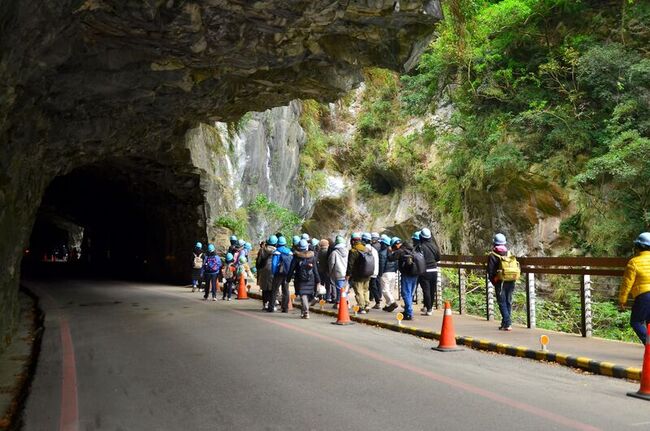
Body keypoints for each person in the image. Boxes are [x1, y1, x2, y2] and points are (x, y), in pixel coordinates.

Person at [619, 232, 650, 344]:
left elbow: (627, 283)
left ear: (638, 247)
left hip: (644, 296)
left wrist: (622, 299)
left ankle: (649, 345)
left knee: (636, 322)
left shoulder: (634, 262)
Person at [487, 233, 516, 331]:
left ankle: (507, 323)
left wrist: (494, 282)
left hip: (500, 281)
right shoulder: (509, 253)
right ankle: (505, 323)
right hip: (511, 280)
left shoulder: (493, 255)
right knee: (508, 301)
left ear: (494, 243)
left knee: (502, 302)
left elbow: (490, 272)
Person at [286, 239, 320, 319]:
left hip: (300, 279)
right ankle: (303, 312)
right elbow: (315, 270)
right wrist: (318, 281)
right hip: (310, 279)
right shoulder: (312, 257)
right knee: (306, 295)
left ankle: (306, 312)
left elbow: (291, 269)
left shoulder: (296, 257)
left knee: (303, 295)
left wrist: (287, 279)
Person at [389, 237, 417, 320]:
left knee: (405, 293)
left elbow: (391, 258)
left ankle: (409, 313)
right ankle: (407, 310)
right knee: (410, 293)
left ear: (396, 245)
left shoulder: (401, 251)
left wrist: (390, 251)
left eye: (394, 247)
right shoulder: (412, 249)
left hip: (406, 274)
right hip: (415, 273)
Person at [347, 233, 373, 313]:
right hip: (368, 273)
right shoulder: (367, 249)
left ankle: (361, 307)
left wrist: (348, 274)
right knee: (366, 290)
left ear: (353, 241)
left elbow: (350, 264)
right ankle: (367, 305)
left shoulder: (353, 251)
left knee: (359, 291)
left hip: (358, 275)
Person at [418, 228, 441, 316]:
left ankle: (429, 309)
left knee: (426, 290)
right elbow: (438, 258)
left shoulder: (420, 247)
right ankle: (430, 307)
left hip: (425, 271)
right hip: (434, 270)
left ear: (421, 237)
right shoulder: (434, 246)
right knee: (432, 290)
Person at [271, 236, 294, 312]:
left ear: (278, 243)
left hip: (278, 274)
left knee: (274, 290)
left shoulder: (277, 252)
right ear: (285, 243)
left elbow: (274, 264)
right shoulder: (289, 252)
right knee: (286, 291)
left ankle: (271, 307)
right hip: (287, 273)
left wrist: (273, 272)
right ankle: (285, 308)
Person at [256, 235, 278, 311]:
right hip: (273, 270)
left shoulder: (262, 250)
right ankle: (271, 304)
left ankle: (265, 304)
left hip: (263, 271)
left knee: (264, 288)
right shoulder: (276, 251)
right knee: (272, 288)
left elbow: (258, 262)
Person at [379, 236, 399, 312]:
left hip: (385, 273)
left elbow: (382, 263)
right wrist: (395, 271)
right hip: (393, 273)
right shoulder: (394, 251)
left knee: (384, 290)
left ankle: (392, 302)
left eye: (381, 243)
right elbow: (397, 263)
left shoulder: (382, 253)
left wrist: (380, 273)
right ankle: (388, 305)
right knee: (390, 290)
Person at [367, 232, 382, 309]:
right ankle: (377, 299)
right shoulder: (378, 247)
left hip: (368, 270)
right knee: (374, 285)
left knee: (370, 286)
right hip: (375, 269)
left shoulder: (371, 248)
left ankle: (370, 300)